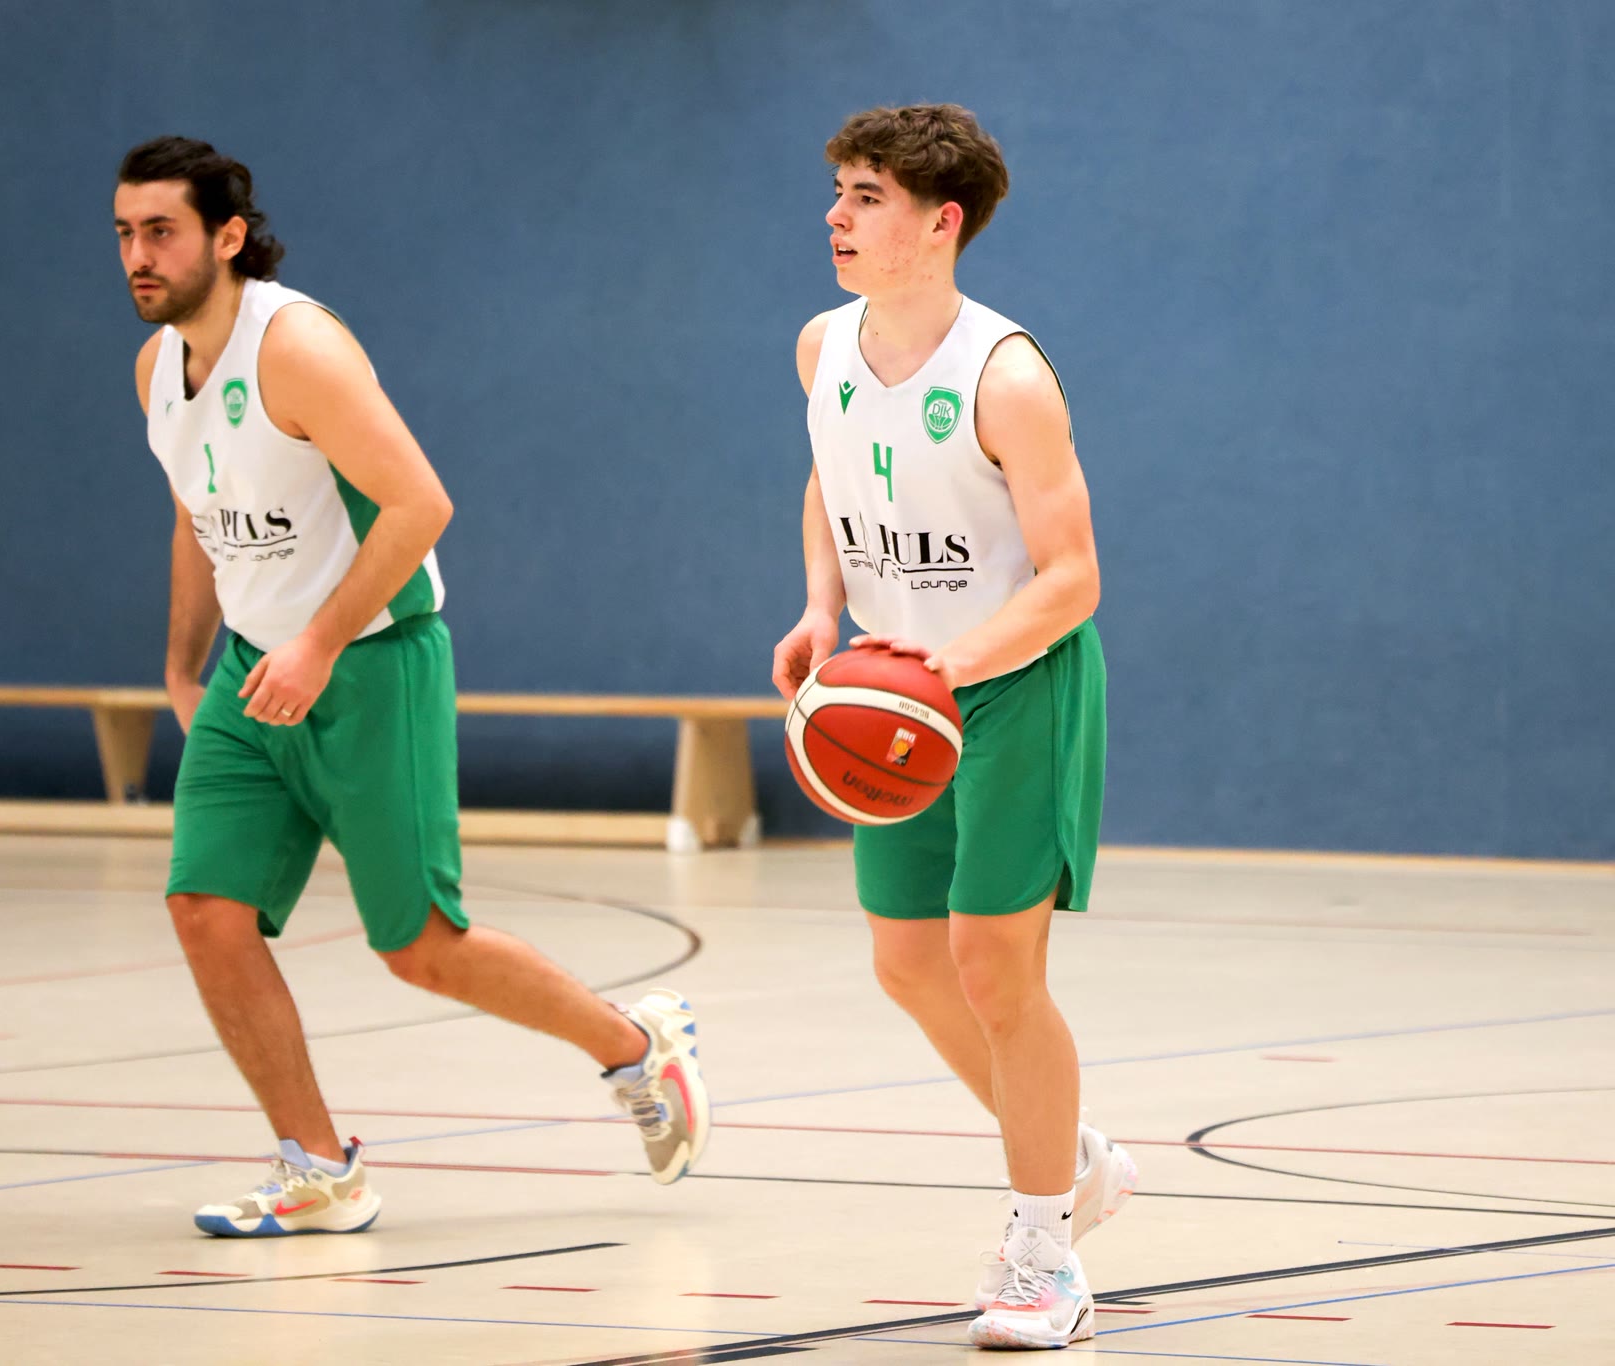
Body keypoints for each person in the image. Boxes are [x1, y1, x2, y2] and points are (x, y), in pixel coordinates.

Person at [112, 135, 708, 1236]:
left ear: (228, 237)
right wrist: (181, 665)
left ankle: (635, 1049)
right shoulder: (157, 368)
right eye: (125, 234)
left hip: (370, 661)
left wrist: (318, 645)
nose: (138, 256)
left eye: (162, 231)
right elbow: (198, 516)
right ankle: (317, 1166)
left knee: (422, 948)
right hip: (253, 672)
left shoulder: (297, 348)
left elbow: (420, 504)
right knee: (204, 910)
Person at [770, 105, 1135, 1350]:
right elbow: (830, 477)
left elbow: (1072, 576)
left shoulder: (1005, 377)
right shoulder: (821, 345)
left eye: (865, 196)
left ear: (942, 223)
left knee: (992, 966)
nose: (835, 215)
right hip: (891, 682)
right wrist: (819, 608)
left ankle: (1044, 1251)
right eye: (837, 190)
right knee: (906, 964)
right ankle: (1072, 1156)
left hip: (1011, 681)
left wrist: (951, 664)